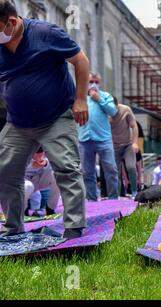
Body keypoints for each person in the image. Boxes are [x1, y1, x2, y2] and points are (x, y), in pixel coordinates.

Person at [0, 1, 89, 239]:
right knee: (4, 170)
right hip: (18, 122)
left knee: (66, 167)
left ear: (11, 22)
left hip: (55, 116)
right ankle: (13, 228)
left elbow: (80, 60)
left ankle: (73, 228)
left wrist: (81, 100)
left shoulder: (45, 33)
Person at [78, 72, 118, 201]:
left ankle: (113, 199)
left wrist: (99, 99)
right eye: (91, 81)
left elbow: (113, 112)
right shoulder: (80, 98)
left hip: (103, 139)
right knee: (87, 173)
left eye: (96, 82)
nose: (93, 84)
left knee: (110, 169)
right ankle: (91, 200)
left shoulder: (106, 96)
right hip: (85, 139)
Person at [110, 97, 140, 197]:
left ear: (117, 104)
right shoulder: (105, 112)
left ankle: (134, 191)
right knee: (115, 171)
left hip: (127, 144)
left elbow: (134, 126)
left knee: (131, 166)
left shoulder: (126, 109)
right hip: (113, 146)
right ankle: (117, 194)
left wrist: (135, 143)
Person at [24, 148, 60, 217]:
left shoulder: (47, 147)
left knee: (58, 176)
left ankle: (50, 208)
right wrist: (31, 165)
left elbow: (59, 162)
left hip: (40, 184)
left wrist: (46, 163)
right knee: (27, 186)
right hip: (23, 184)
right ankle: (22, 210)